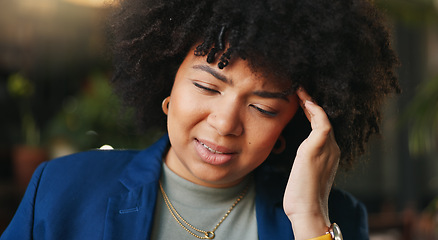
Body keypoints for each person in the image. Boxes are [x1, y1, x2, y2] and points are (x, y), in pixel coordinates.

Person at [1, 0, 400, 239]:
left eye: (263, 108)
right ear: (167, 88)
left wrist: (309, 218)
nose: (225, 124)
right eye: (208, 88)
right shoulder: (62, 190)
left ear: (291, 130)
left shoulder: (334, 218)